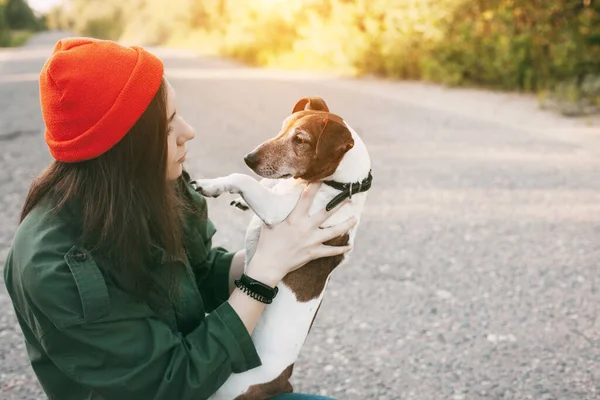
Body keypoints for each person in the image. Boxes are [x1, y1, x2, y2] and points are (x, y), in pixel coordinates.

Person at [2, 37, 355, 400]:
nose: (189, 132)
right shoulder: (55, 264)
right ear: (126, 145)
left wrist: (291, 249)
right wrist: (263, 272)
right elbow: (172, 382)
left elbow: (196, 274)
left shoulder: (152, 184)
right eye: (169, 124)